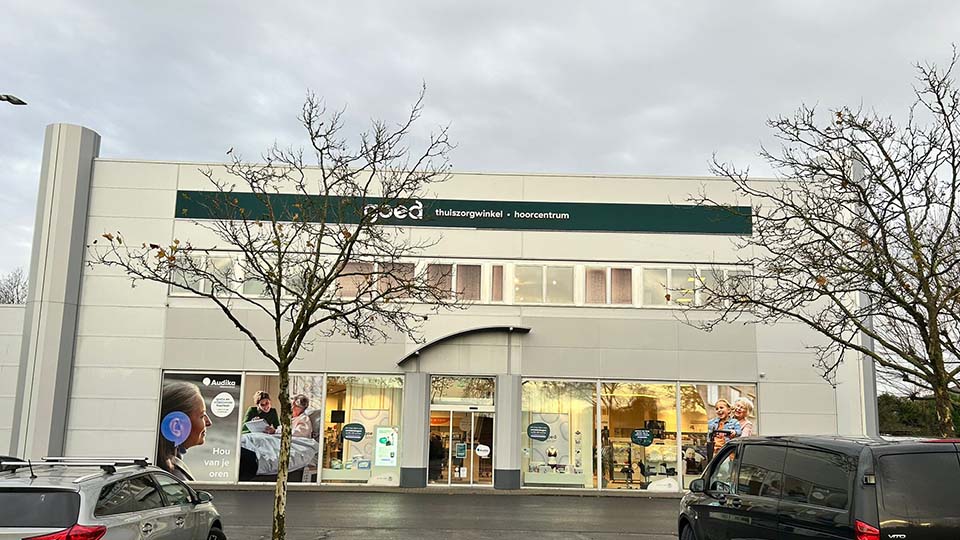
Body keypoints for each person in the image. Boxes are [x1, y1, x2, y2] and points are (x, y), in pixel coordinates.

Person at [157, 381, 211, 481]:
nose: (209, 422)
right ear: (176, 426)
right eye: (202, 416)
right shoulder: (175, 480)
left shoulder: (156, 467)